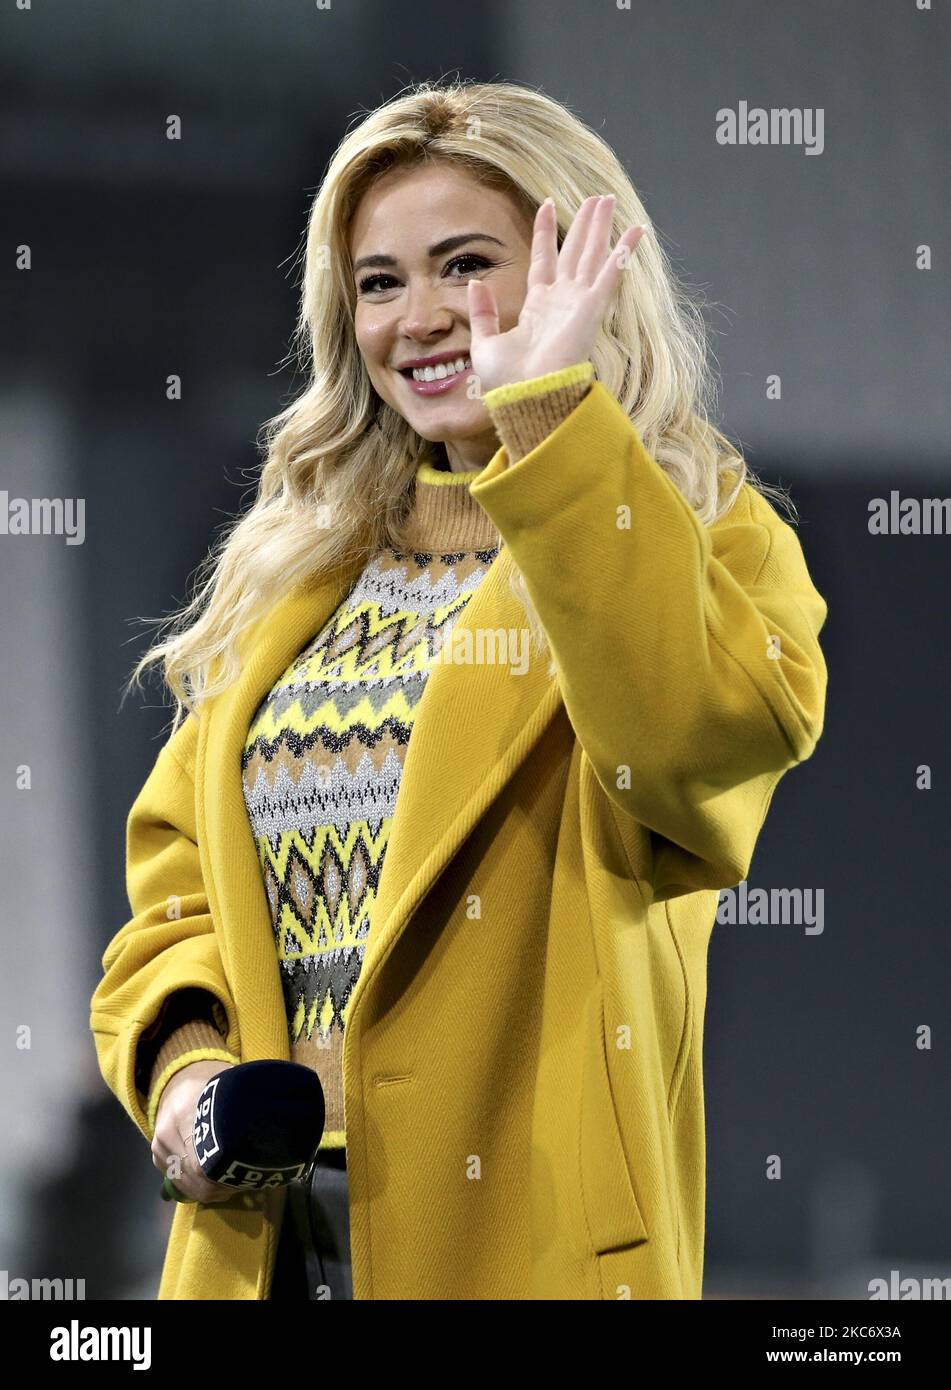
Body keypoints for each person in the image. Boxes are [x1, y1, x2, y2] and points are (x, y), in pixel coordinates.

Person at [91, 78, 829, 1301]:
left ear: (573, 269)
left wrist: (548, 424)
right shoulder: (290, 575)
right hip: (256, 1244)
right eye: (379, 282)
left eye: (465, 263)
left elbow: (692, 756)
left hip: (522, 1252)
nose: (419, 317)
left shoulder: (702, 532)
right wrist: (185, 1076)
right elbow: (176, 899)